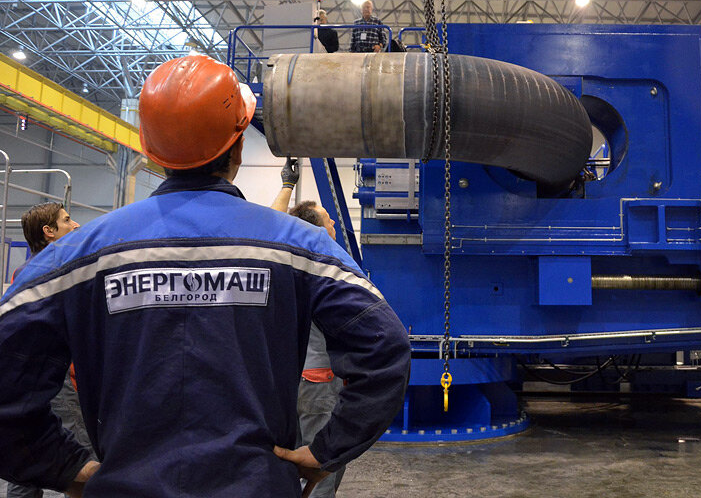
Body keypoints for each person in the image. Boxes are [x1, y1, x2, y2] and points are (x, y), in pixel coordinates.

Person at [0, 54, 411, 497]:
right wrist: (328, 449)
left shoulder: (78, 257)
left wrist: (66, 467)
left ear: (151, 150)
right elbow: (384, 346)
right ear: (236, 148)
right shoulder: (300, 247)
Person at [6, 203, 93, 498]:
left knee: (26, 464)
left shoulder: (23, 273)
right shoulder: (60, 272)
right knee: (80, 464)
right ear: (49, 232)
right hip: (62, 381)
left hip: (29, 383)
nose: (76, 225)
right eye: (67, 220)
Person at [278, 201, 344, 498]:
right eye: (329, 220)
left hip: (296, 376)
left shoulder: (290, 264)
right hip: (319, 378)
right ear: (317, 230)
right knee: (322, 460)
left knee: (302, 455)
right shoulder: (324, 268)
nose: (335, 226)